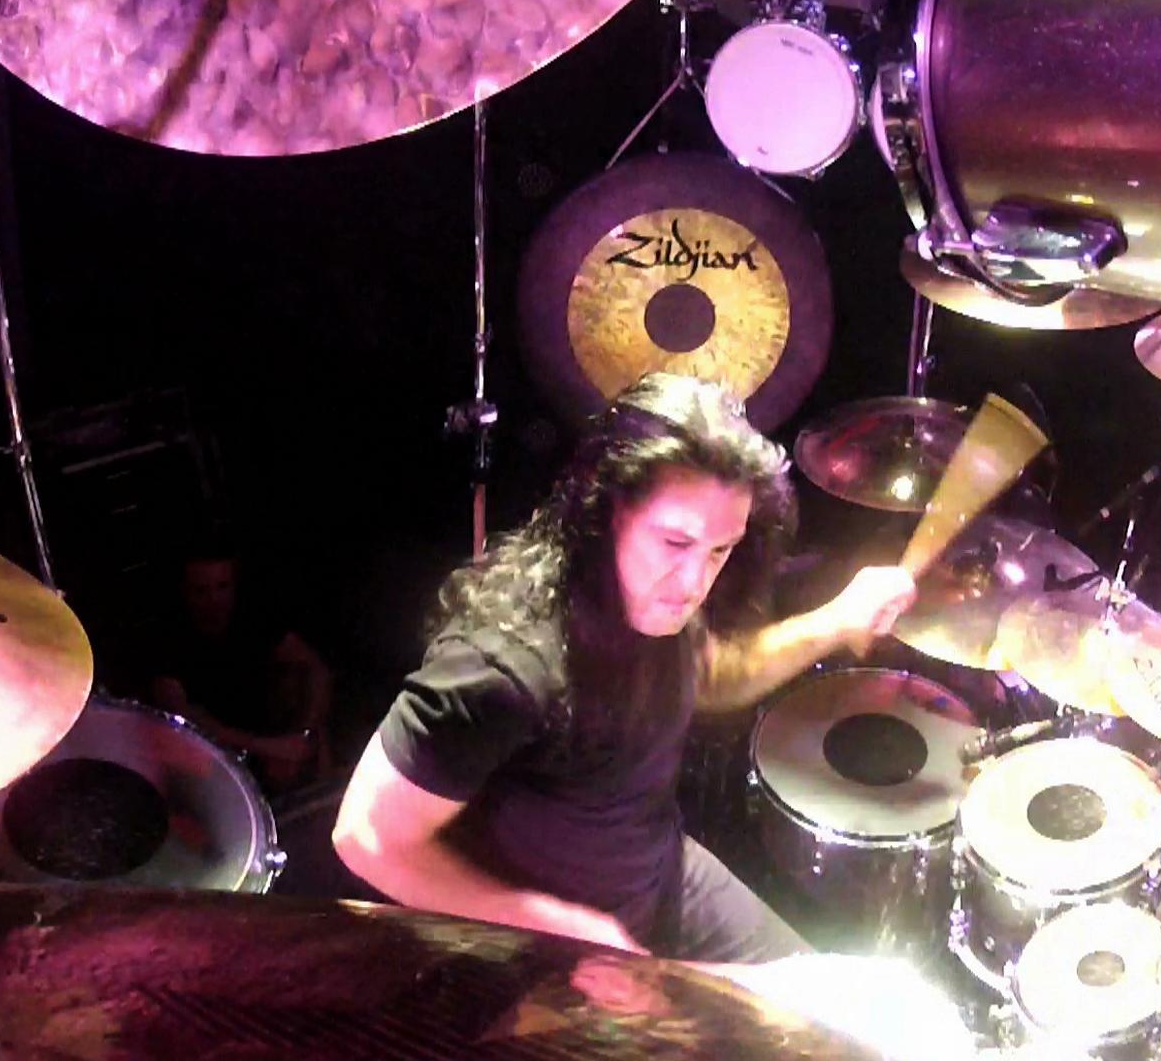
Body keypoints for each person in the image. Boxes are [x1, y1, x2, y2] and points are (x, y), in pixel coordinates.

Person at [331, 373, 916, 962]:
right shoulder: (502, 666)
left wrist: (839, 619)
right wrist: (552, 925)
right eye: (674, 544)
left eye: (720, 550)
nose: (694, 584)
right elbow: (365, 837)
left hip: (665, 880)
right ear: (606, 510)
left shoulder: (658, 602)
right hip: (538, 950)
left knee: (835, 1021)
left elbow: (709, 675)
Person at [150, 543, 334, 796]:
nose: (214, 600)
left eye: (222, 587)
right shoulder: (170, 637)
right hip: (213, 753)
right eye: (201, 591)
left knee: (299, 692)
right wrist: (272, 749)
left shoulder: (252, 618)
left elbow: (315, 669)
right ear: (184, 591)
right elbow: (181, 717)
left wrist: (302, 735)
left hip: (269, 731)